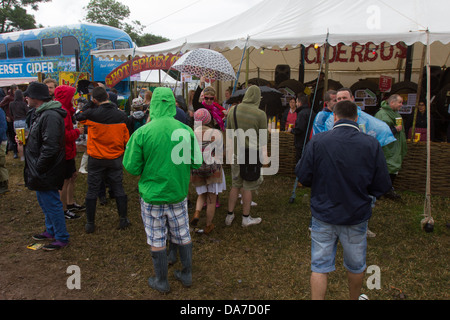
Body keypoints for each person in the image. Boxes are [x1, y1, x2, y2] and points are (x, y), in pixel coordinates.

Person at [295, 100, 391, 300]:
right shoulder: (371, 144)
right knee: (356, 266)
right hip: (355, 214)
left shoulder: (319, 141)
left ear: (335, 117)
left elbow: (303, 175)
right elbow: (382, 184)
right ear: (356, 118)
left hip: (324, 213)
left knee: (320, 267)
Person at [123, 87, 202, 294]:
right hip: (177, 192)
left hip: (152, 196)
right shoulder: (185, 130)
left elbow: (131, 167)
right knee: (182, 233)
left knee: (157, 237)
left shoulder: (142, 132)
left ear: (153, 105)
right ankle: (186, 274)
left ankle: (161, 281)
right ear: (172, 104)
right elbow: (196, 161)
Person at [22, 82, 70, 251]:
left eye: (28, 95)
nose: (25, 97)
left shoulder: (49, 115)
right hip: (42, 168)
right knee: (45, 201)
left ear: (35, 97)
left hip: (47, 168)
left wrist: (39, 166)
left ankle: (61, 237)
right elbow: (41, 140)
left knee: (51, 202)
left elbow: (51, 146)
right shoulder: (40, 113)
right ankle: (51, 230)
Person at [75, 86, 130, 233]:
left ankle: (90, 223)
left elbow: (78, 115)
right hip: (115, 157)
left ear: (94, 100)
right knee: (118, 187)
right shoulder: (121, 116)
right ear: (107, 95)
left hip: (96, 157)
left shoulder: (92, 114)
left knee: (92, 189)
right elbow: (127, 139)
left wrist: (90, 104)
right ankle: (123, 219)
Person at [225, 85, 267, 227]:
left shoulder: (233, 110)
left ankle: (229, 215)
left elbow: (229, 135)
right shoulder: (260, 114)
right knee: (248, 186)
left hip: (236, 153)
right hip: (252, 155)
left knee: (235, 185)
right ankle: (246, 218)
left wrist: (230, 153)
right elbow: (263, 139)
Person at [190, 108, 226, 235]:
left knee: (201, 194)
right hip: (212, 169)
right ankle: (208, 225)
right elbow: (221, 153)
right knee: (211, 197)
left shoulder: (191, 133)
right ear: (208, 119)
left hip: (197, 168)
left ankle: (197, 213)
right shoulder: (215, 133)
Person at [54, 85, 84, 219]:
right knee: (65, 181)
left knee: (72, 176)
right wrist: (77, 132)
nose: (73, 100)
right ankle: (63, 209)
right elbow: (63, 135)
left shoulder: (66, 111)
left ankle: (70, 203)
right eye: (71, 97)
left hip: (69, 151)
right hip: (64, 151)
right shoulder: (62, 112)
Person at [375, 94, 407, 200]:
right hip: (387, 147)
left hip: (395, 146)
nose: (401, 105)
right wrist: (394, 129)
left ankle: (387, 189)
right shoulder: (382, 114)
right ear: (392, 102)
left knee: (393, 168)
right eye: (400, 102)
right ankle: (384, 190)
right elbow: (379, 131)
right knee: (387, 167)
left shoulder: (394, 113)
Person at [292, 94, 316, 163]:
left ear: (299, 103)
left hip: (301, 143)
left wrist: (292, 130)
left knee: (300, 161)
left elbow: (299, 129)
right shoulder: (312, 112)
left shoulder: (302, 114)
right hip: (310, 141)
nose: (296, 104)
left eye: (296, 102)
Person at [8, 89, 30, 161]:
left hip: (16, 122)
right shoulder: (23, 104)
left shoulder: (11, 104)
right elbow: (28, 112)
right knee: (28, 139)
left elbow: (10, 113)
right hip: (23, 121)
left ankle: (22, 157)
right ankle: (28, 156)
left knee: (20, 142)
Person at [0, 85, 18, 159]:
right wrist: (6, 115)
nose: (16, 90)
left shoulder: (19, 97)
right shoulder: (8, 98)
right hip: (10, 119)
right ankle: (15, 152)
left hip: (17, 119)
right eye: (15, 89)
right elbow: (1, 105)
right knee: (12, 135)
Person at [0, 106, 8, 195]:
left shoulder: (0, 111)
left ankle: (3, 184)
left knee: (1, 163)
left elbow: (2, 127)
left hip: (1, 141)